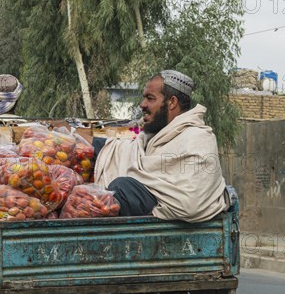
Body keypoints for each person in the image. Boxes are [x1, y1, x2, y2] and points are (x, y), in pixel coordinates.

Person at [94, 70, 229, 222]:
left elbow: (191, 202)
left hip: (165, 228)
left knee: (122, 189)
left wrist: (153, 208)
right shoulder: (152, 135)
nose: (142, 104)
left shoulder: (198, 138)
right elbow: (121, 145)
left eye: (150, 98)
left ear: (172, 102)